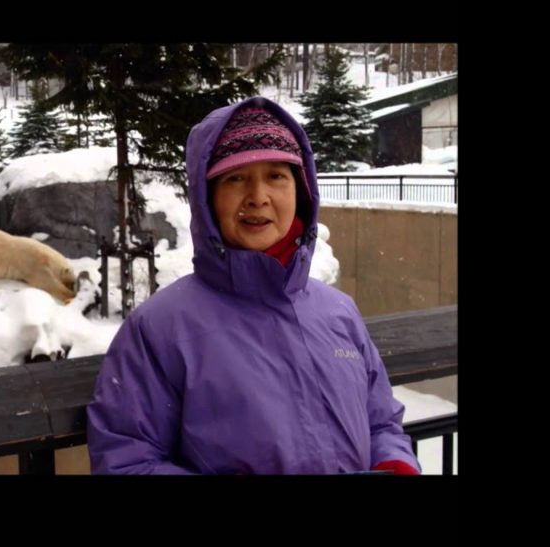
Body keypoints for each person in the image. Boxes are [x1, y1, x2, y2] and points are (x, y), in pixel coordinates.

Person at [86, 97, 420, 475]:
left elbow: (381, 423)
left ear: (301, 189)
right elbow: (128, 462)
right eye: (236, 177)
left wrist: (397, 465)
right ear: (208, 198)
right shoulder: (160, 329)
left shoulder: (338, 312)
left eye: (276, 175)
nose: (258, 196)